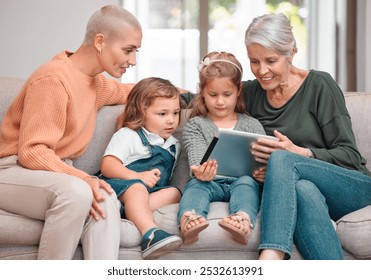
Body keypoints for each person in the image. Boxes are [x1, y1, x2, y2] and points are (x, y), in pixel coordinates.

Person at [0, 5, 142, 259]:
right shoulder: (53, 79)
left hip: (53, 174)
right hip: (12, 170)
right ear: (100, 41)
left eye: (136, 52)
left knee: (107, 199)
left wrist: (179, 93)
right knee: (77, 193)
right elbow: (32, 152)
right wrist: (83, 178)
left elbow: (130, 92)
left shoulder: (95, 83)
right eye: (128, 50)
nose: (133, 60)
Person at [242, 13, 371, 259]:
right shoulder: (250, 92)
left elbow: (350, 156)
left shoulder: (319, 85)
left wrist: (300, 153)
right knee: (302, 188)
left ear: (291, 53)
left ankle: (271, 258)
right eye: (254, 61)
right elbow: (204, 97)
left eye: (270, 60)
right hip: (303, 188)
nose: (262, 71)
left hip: (353, 187)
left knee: (282, 158)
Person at [177, 51, 266, 245]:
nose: (220, 101)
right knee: (196, 186)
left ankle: (242, 220)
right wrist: (201, 172)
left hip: (242, 181)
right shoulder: (196, 125)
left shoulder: (252, 125)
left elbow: (262, 162)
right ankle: (189, 219)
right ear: (202, 90)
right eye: (212, 94)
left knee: (247, 184)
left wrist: (262, 174)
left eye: (227, 94)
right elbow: (197, 160)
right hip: (209, 182)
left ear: (238, 90)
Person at [97, 77, 182, 259]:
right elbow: (108, 166)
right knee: (136, 188)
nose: (171, 120)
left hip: (146, 193)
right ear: (142, 112)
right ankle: (150, 234)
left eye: (176, 113)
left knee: (175, 193)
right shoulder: (128, 135)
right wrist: (137, 176)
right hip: (117, 188)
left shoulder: (174, 144)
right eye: (162, 114)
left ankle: (133, 210)